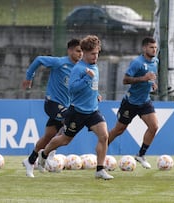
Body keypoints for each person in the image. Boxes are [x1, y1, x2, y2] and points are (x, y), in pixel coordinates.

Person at [37, 35, 113, 180]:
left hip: (92, 111)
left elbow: (91, 85)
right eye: (92, 54)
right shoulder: (79, 69)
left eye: (97, 53)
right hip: (77, 112)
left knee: (104, 136)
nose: (95, 56)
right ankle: (44, 153)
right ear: (84, 52)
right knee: (65, 140)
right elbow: (72, 89)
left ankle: (100, 169)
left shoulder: (94, 67)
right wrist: (86, 79)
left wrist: (96, 93)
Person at [22, 39, 82, 178]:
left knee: (48, 137)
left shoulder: (79, 68)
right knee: (69, 119)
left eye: (82, 51)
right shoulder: (60, 62)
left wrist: (95, 94)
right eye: (78, 51)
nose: (80, 54)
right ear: (70, 51)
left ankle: (30, 160)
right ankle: (49, 155)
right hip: (52, 103)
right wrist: (29, 77)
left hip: (63, 106)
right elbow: (38, 59)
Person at [108, 37, 159, 169]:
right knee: (119, 130)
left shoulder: (155, 61)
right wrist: (143, 78)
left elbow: (150, 77)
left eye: (155, 47)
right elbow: (125, 80)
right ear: (144, 48)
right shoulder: (137, 62)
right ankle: (101, 149)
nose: (154, 50)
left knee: (154, 127)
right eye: (151, 47)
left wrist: (152, 83)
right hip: (130, 102)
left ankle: (141, 155)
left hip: (145, 101)